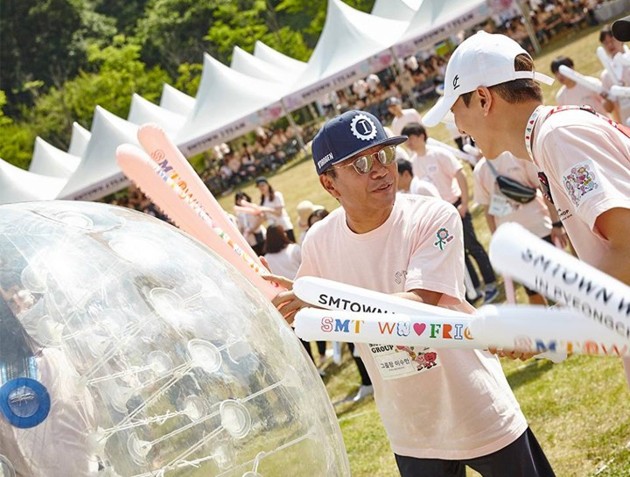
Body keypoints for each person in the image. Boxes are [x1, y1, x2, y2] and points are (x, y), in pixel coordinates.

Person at [266, 109, 555, 477]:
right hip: (412, 428)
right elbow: (307, 311)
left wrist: (323, 303)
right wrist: (290, 309)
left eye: (384, 154)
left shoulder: (433, 217)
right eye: (360, 164)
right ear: (330, 184)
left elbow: (418, 308)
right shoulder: (320, 241)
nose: (380, 169)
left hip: (474, 402)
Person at [422, 30, 630, 383]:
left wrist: (545, 325)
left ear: (484, 99)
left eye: (456, 109)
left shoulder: (557, 137)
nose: (457, 127)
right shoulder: (555, 134)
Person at [401, 122, 499, 304]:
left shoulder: (438, 154)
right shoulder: (413, 164)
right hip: (438, 216)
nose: (409, 144)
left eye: (411, 139)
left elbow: (460, 175)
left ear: (421, 136)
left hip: (456, 207)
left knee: (473, 246)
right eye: (407, 142)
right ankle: (474, 288)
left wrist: (464, 203)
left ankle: (491, 282)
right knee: (457, 252)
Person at [473, 151, 567, 305]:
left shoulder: (516, 156)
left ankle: (575, 322)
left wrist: (556, 223)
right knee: (531, 288)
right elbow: (487, 210)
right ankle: (548, 326)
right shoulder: (480, 170)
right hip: (513, 240)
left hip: (540, 227)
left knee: (560, 281)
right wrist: (499, 241)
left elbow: (544, 190)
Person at [598, 26, 630, 124]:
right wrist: (606, 99)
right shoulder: (606, 75)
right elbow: (609, 109)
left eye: (612, 40)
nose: (610, 45)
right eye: (606, 43)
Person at [255, 176, 295, 242]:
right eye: (259, 187)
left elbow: (279, 213)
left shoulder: (277, 195)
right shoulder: (262, 201)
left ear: (267, 184)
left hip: (284, 226)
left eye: (262, 185)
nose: (261, 188)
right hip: (275, 231)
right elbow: (265, 218)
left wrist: (265, 209)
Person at [234, 191, 266, 255]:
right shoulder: (239, 213)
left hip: (259, 233)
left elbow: (261, 216)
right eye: (238, 199)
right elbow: (240, 226)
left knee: (265, 251)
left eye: (242, 198)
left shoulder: (252, 207)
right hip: (250, 238)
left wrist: (252, 229)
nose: (241, 201)